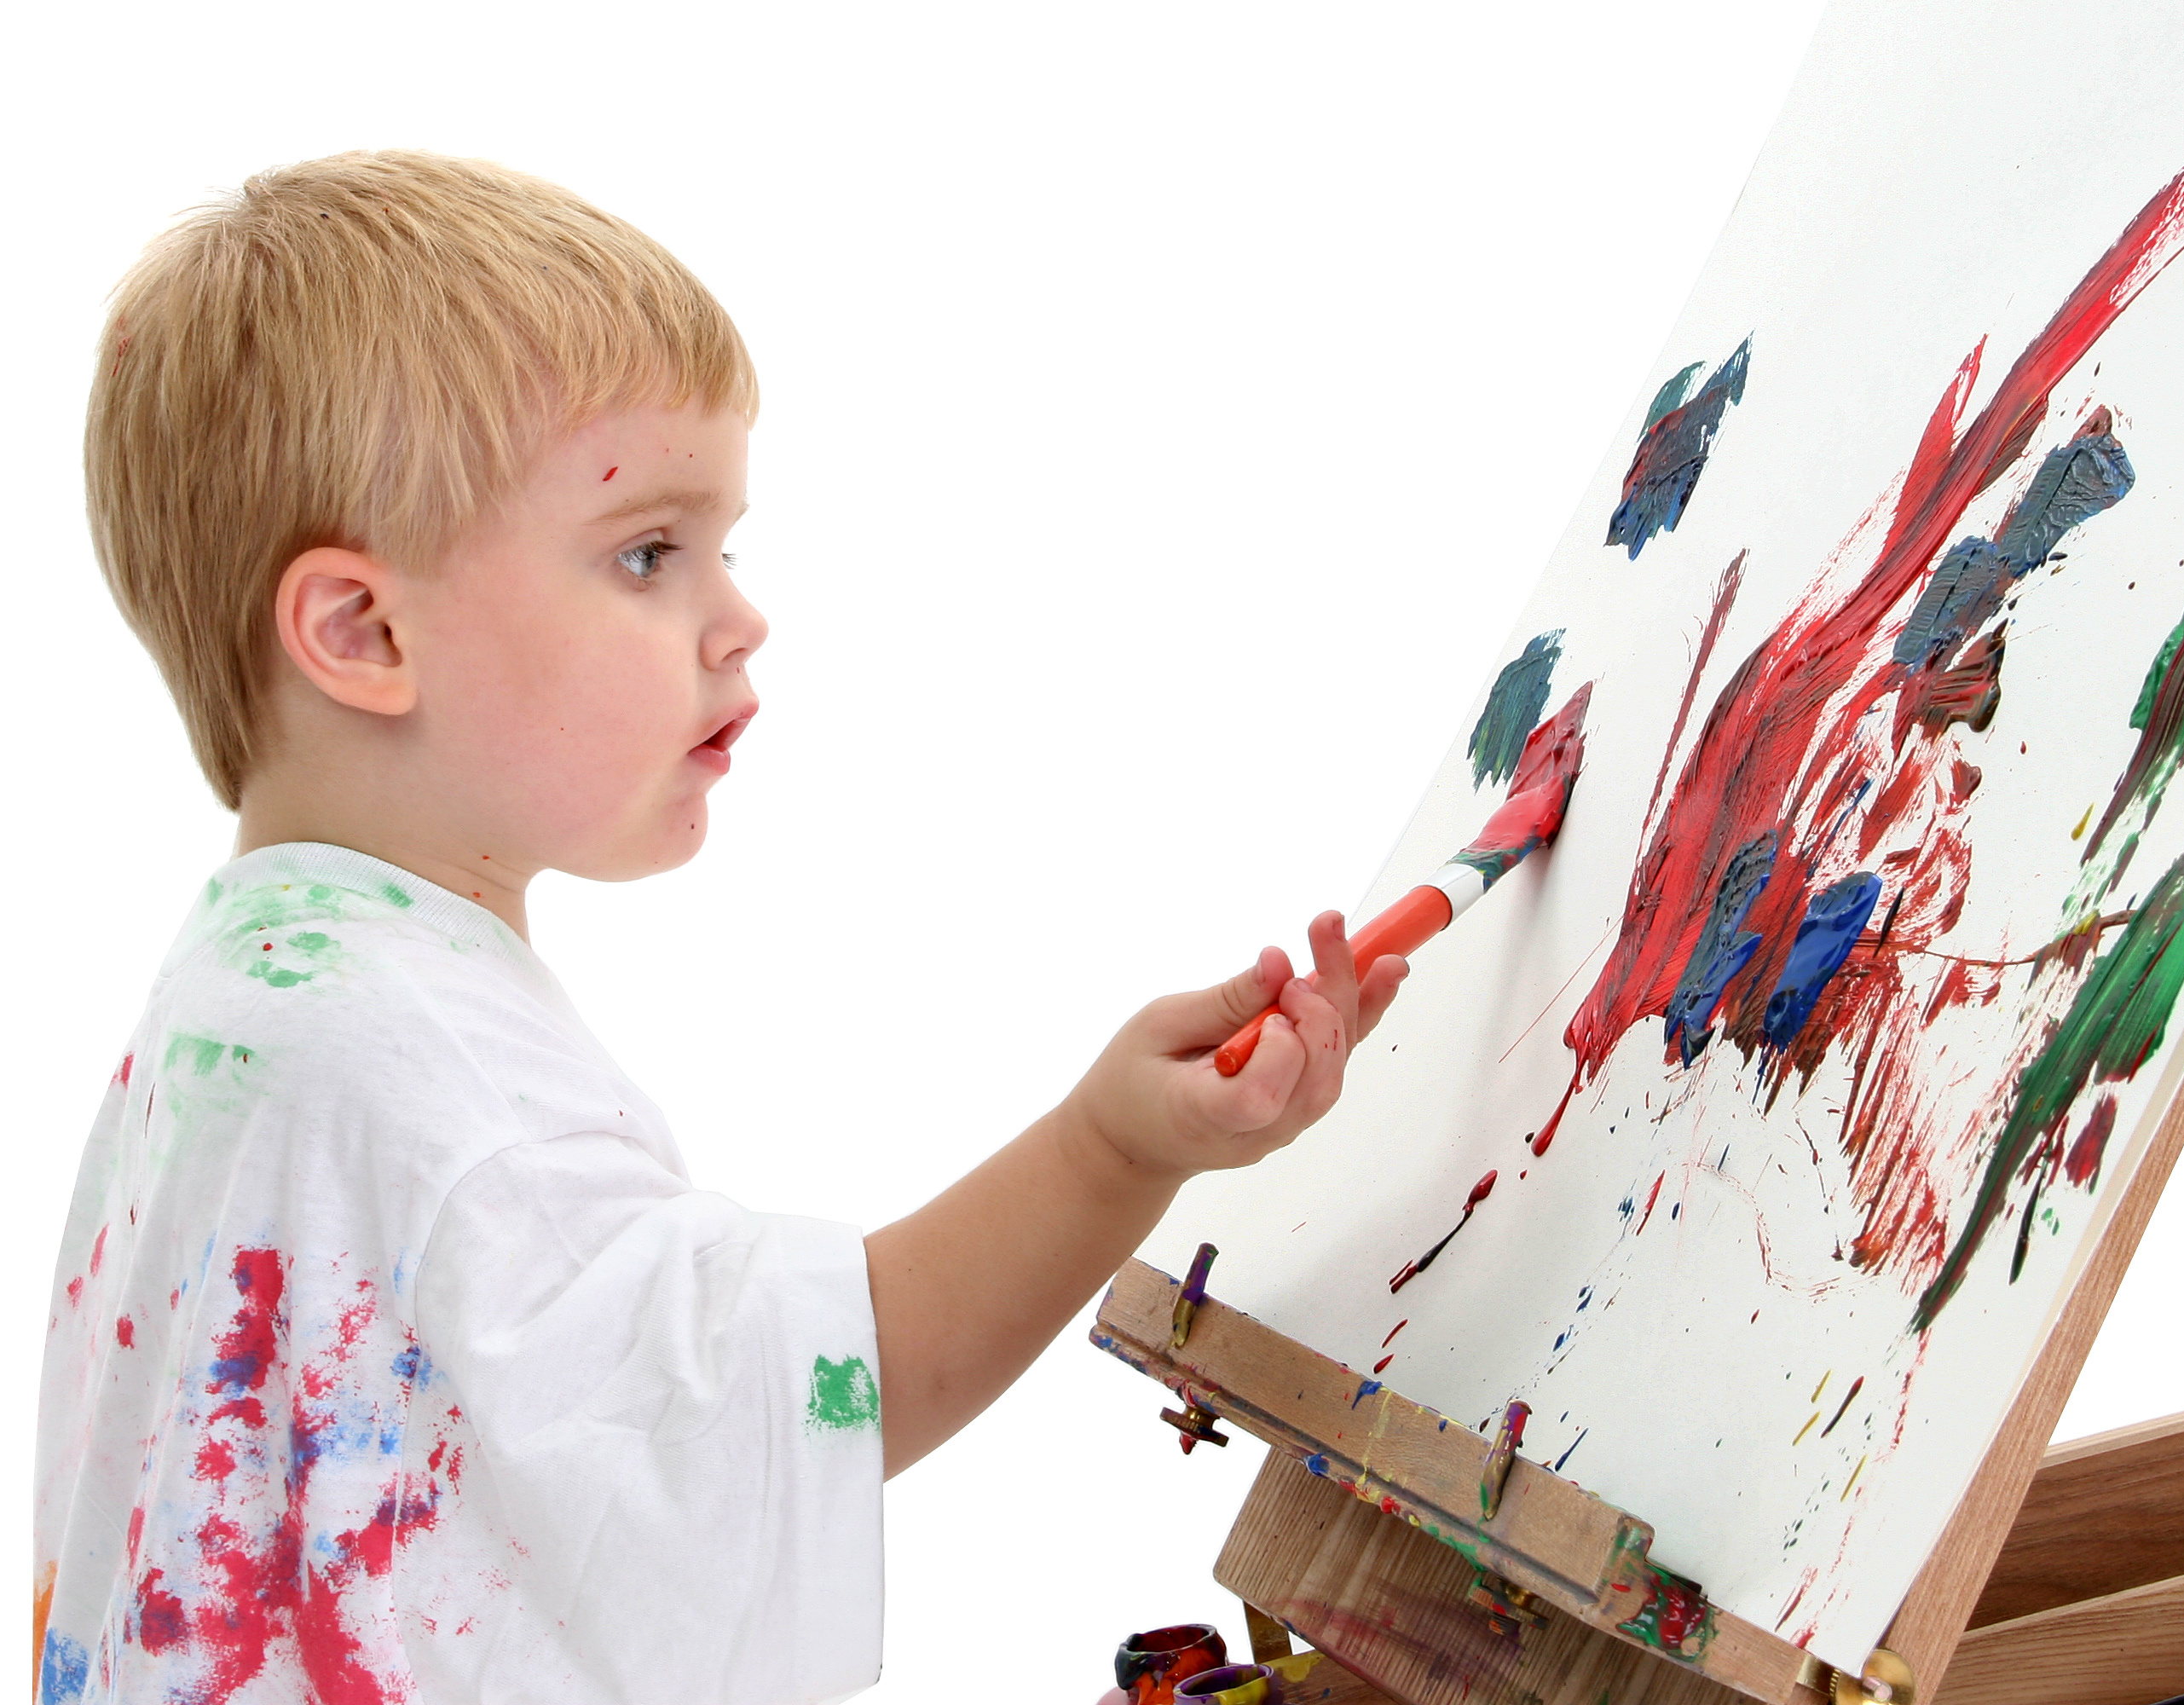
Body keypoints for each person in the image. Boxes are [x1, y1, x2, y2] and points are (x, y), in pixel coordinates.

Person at [36, 150, 1405, 1705]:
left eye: (725, 547)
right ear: (365, 634)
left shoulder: (251, 989)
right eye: (646, 554)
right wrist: (1116, 1146)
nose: (739, 616)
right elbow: (779, 1406)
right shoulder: (412, 1070)